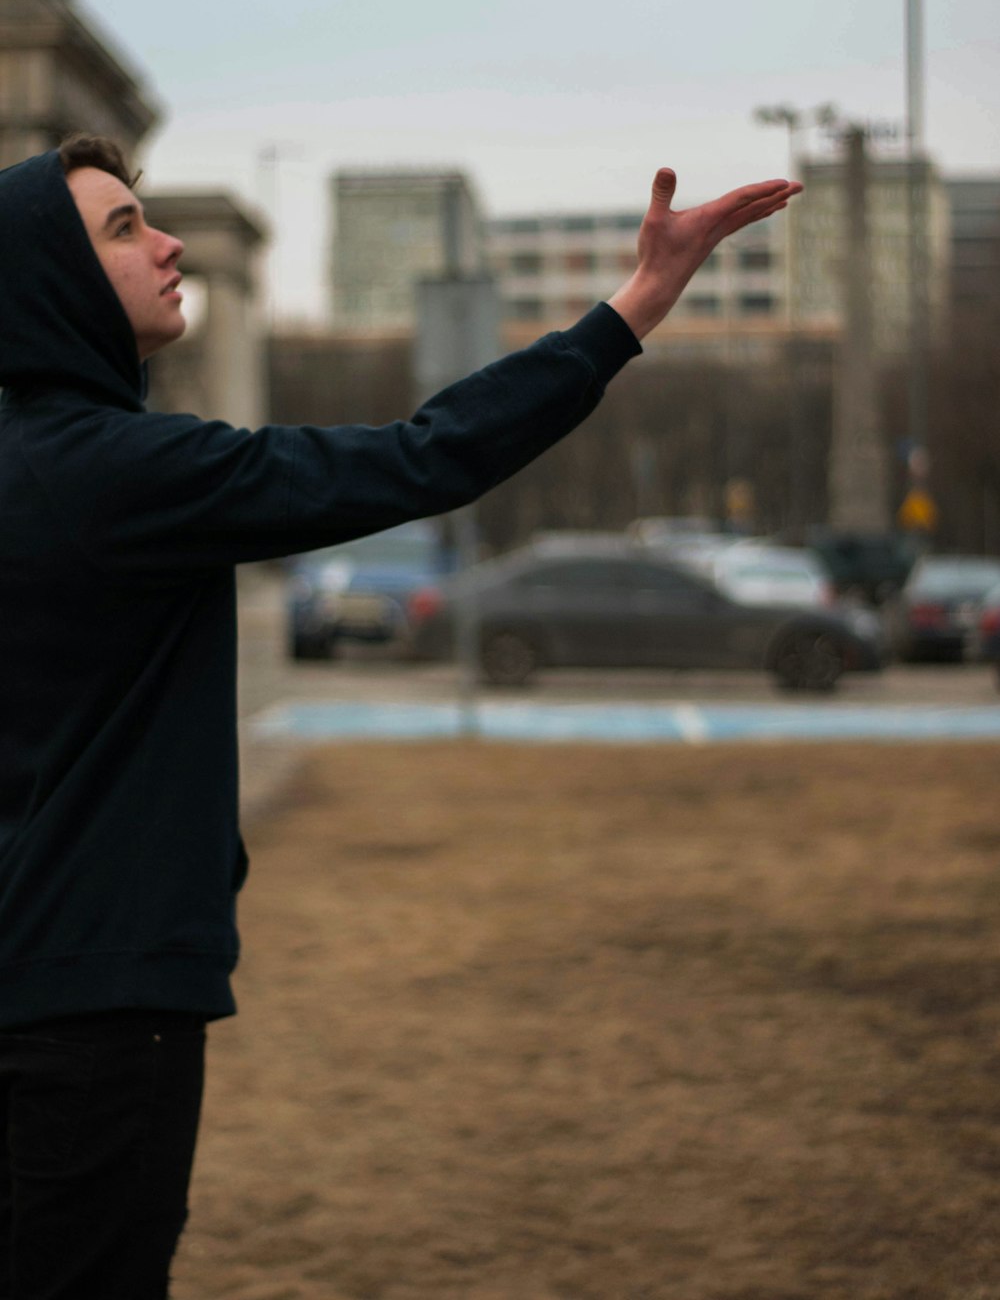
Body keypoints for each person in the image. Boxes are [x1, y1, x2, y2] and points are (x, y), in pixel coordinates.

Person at [0, 133, 800, 1298]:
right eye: (124, 227)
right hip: (97, 1004)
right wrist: (631, 307)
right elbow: (425, 457)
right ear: (52, 282)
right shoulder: (124, 472)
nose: (167, 241)